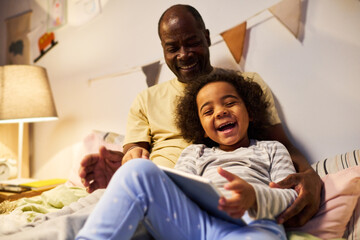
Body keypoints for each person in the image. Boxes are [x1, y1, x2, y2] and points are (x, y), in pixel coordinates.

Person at [79, 4, 321, 227]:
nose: (184, 55)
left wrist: (311, 176)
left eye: (192, 42)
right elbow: (133, 154)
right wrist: (124, 168)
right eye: (172, 48)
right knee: (76, 219)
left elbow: (284, 148)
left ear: (206, 37)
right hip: (161, 197)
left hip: (215, 209)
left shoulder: (247, 86)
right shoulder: (147, 100)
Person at [76, 69, 298, 240]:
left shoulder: (272, 148)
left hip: (252, 227)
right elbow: (175, 191)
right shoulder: (195, 152)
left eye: (230, 103)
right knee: (137, 169)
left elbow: (290, 196)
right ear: (201, 127)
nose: (220, 112)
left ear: (249, 112)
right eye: (208, 111)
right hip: (198, 225)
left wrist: (253, 197)